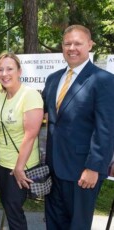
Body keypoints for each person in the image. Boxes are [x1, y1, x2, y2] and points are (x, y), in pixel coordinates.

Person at [42, 25, 114, 230]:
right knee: (53, 222)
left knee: (78, 225)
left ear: (90, 45)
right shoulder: (53, 79)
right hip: (53, 168)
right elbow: (44, 114)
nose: (72, 48)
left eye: (78, 43)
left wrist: (94, 167)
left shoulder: (104, 80)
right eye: (67, 43)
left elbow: (106, 129)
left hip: (82, 171)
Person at [0, 52, 44, 230]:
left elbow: (30, 135)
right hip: (2, 164)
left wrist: (19, 167)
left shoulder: (30, 95)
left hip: (20, 166)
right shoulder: (1, 95)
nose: (4, 73)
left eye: (9, 69)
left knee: (14, 212)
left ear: (19, 71)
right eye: (0, 69)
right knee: (9, 208)